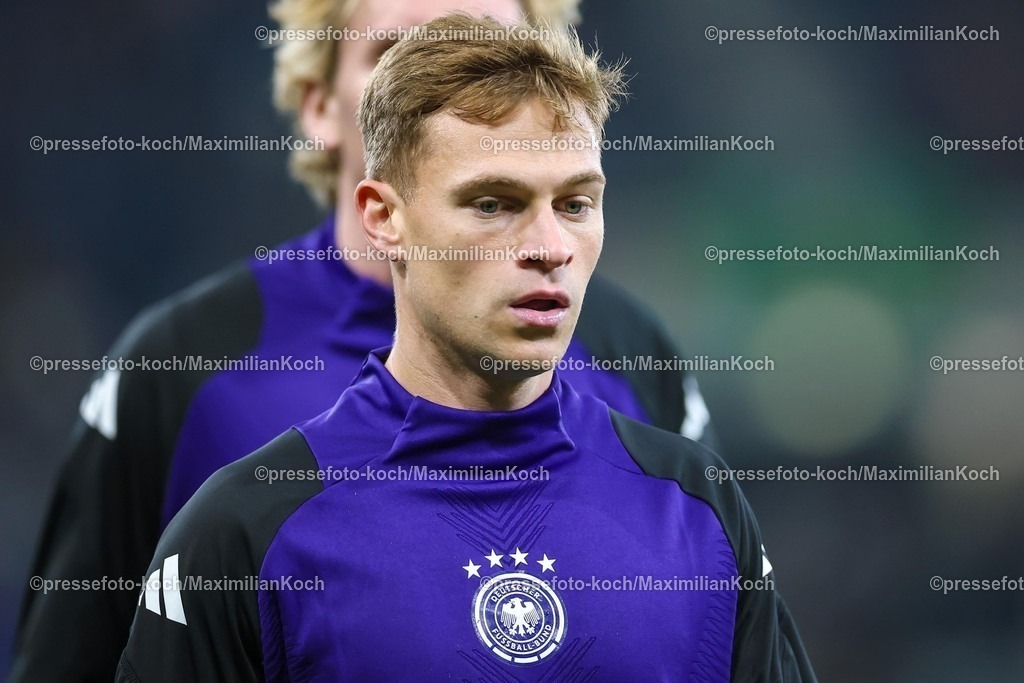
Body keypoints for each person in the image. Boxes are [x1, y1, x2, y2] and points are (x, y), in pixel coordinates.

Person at [11, 1, 714, 681]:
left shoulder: (630, 353)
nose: (450, 83)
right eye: (399, 53)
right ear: (320, 105)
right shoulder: (188, 365)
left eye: (488, 54)